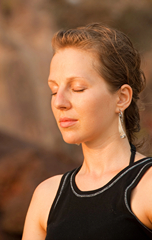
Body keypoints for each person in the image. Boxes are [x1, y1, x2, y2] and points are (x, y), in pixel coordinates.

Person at [22, 23, 152, 239]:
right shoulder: (46, 197)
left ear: (122, 98)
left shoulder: (147, 186)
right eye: (54, 90)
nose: (59, 102)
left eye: (77, 88)